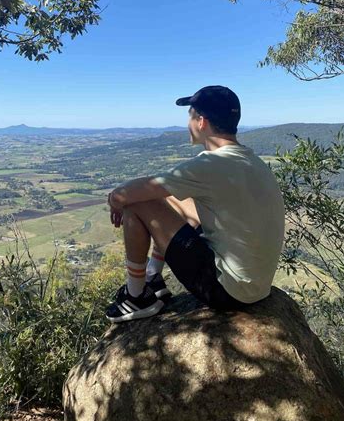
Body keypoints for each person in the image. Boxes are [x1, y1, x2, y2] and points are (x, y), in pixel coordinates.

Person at [105, 85, 285, 323]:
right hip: (256, 287)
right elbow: (168, 195)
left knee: (137, 204)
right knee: (171, 197)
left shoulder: (209, 165)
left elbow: (125, 195)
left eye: (189, 116)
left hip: (227, 292)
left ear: (201, 121)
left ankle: (136, 296)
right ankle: (153, 277)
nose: (187, 123)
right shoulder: (252, 161)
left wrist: (116, 201)